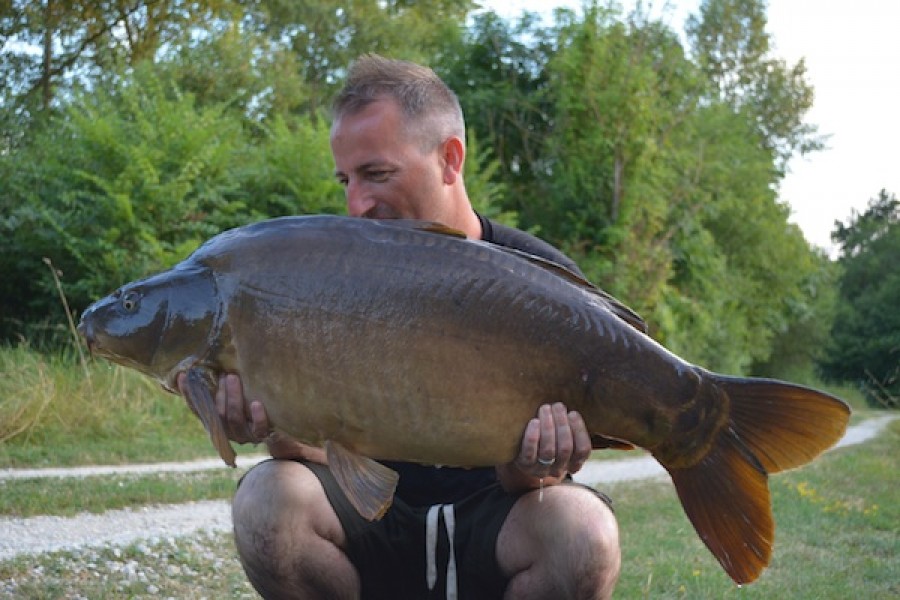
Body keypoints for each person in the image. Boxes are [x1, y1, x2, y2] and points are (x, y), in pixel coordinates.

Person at [181, 54, 621, 599]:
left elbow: (531, 485)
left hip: (497, 527)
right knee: (268, 502)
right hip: (375, 527)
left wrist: (540, 463)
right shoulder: (328, 277)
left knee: (584, 533)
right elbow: (322, 456)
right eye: (346, 179)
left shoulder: (538, 283)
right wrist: (273, 424)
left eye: (377, 174)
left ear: (450, 159)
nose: (356, 204)